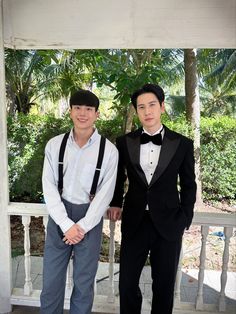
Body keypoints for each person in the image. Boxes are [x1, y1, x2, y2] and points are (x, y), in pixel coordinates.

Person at [108, 83, 196, 314]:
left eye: (152, 105)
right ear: (136, 111)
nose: (147, 111)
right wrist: (116, 202)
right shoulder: (124, 142)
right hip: (135, 222)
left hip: (169, 223)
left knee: (164, 287)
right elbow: (118, 177)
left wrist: (185, 217)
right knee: (126, 284)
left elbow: (189, 184)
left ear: (162, 108)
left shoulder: (182, 144)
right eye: (141, 107)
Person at [40, 89, 118, 314]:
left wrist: (81, 227)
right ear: (70, 111)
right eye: (77, 108)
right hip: (59, 215)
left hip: (90, 219)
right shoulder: (54, 145)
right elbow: (49, 186)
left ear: (97, 114)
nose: (82, 113)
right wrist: (66, 224)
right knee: (51, 280)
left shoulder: (109, 151)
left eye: (88, 109)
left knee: (84, 283)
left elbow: (105, 193)